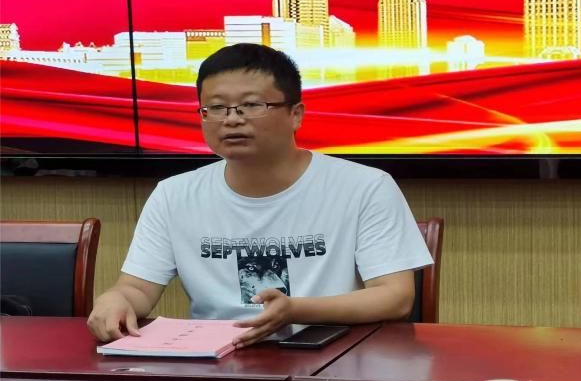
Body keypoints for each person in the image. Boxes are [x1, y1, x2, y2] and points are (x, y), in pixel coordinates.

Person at [87, 43, 433, 348]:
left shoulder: (365, 187)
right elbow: (137, 289)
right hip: (216, 362)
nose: (232, 120)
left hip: (335, 356)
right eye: (216, 108)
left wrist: (296, 310)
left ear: (295, 115)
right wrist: (115, 299)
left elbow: (395, 296)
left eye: (251, 105)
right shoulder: (173, 195)